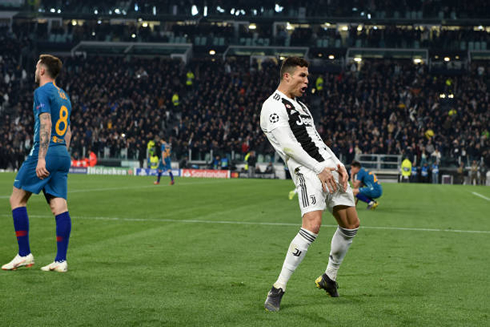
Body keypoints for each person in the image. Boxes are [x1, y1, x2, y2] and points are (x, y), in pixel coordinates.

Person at [260, 57, 359, 312]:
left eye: (307, 76)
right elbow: (288, 146)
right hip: (307, 171)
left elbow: (317, 139)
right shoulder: (272, 106)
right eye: (302, 76)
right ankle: (277, 288)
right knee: (313, 225)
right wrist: (318, 169)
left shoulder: (302, 107)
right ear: (287, 76)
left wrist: (339, 164)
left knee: (350, 224)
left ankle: (329, 278)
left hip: (328, 168)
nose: (307, 81)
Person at [2, 54, 73, 273]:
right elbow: (68, 130)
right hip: (62, 152)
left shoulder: (41, 91)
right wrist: (60, 154)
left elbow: (46, 122)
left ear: (42, 70)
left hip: (46, 151)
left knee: (17, 199)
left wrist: (42, 157)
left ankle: (24, 254)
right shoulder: (64, 95)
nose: (34, 71)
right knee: (59, 206)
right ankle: (61, 260)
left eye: (36, 67)